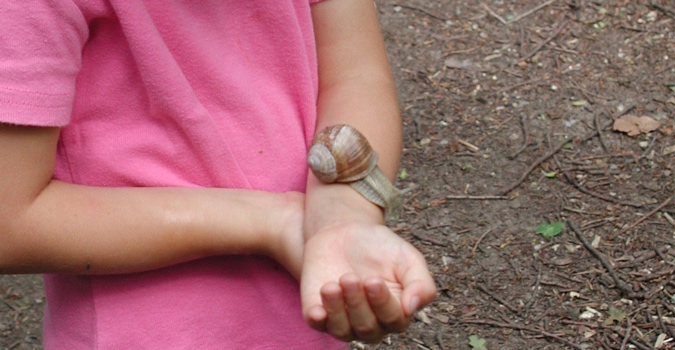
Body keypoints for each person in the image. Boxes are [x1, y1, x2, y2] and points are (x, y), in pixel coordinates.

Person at [0, 0, 437, 348]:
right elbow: (11, 220)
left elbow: (355, 74)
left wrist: (342, 214)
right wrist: (272, 221)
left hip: (305, 308)